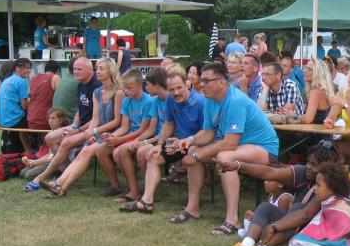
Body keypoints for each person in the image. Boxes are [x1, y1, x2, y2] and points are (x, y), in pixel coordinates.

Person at [175, 62, 279, 235]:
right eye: (201, 80)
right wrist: (190, 140)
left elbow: (229, 143)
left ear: (221, 82)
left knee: (224, 157)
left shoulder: (235, 101)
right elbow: (208, 132)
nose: (201, 84)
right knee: (193, 151)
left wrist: (198, 155)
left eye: (206, 80)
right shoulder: (210, 100)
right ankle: (192, 208)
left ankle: (232, 220)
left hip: (264, 148)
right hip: (240, 146)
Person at [218, 141, 340, 246]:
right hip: (294, 223)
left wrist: (274, 227)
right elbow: (270, 172)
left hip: (315, 232)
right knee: (266, 208)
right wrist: (238, 165)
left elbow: (306, 214)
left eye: (314, 165)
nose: (308, 166)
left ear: (327, 168)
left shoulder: (331, 184)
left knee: (297, 211)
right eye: (308, 162)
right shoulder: (303, 173)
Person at [32, 58, 125, 196]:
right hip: (98, 132)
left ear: (111, 71)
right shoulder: (97, 92)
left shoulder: (118, 93)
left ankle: (59, 185)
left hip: (114, 133)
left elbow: (117, 121)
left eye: (101, 69)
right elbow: (95, 119)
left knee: (85, 151)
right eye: (97, 68)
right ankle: (59, 185)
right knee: (82, 153)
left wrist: (92, 131)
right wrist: (90, 133)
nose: (98, 71)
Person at [121, 68, 205, 214]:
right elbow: (169, 123)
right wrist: (159, 145)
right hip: (179, 142)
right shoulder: (171, 100)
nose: (176, 92)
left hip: (198, 143)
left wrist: (185, 142)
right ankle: (146, 201)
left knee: (191, 153)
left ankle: (192, 201)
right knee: (153, 156)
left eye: (179, 88)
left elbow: (207, 133)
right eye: (171, 89)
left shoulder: (200, 102)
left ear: (187, 84)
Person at [31, 57, 102, 187]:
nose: (75, 72)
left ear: (89, 70)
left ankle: (44, 176)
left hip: (93, 128)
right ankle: (66, 169)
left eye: (79, 69)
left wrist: (77, 130)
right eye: (74, 69)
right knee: (50, 137)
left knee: (65, 142)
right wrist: (74, 125)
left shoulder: (97, 86)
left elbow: (97, 118)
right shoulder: (80, 84)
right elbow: (80, 110)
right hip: (80, 126)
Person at [110, 68, 166, 202]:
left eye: (148, 85)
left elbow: (157, 131)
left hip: (163, 140)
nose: (125, 91)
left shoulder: (152, 101)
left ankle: (148, 192)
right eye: (124, 87)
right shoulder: (155, 101)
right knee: (119, 151)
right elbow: (150, 129)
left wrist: (142, 141)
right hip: (152, 137)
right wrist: (135, 140)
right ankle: (134, 190)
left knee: (139, 152)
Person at [236, 174, 293, 239]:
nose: (265, 182)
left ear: (281, 184)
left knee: (254, 222)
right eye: (265, 180)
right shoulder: (271, 196)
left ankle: (251, 235)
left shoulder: (285, 198)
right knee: (243, 226)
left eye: (269, 181)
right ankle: (249, 233)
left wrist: (256, 217)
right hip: (269, 224)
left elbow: (281, 221)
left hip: (279, 229)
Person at [19, 108, 70, 181]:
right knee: (23, 173)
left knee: (29, 175)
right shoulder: (52, 132)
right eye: (49, 118)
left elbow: (59, 158)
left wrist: (36, 162)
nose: (50, 121)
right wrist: (34, 162)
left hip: (60, 164)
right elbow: (50, 154)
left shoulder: (64, 134)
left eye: (53, 118)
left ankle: (57, 175)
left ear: (61, 120)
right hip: (50, 161)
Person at [0, 58, 32, 152]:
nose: (28, 70)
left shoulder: (6, 80)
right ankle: (34, 149)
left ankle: (27, 149)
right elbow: (24, 106)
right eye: (26, 68)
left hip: (2, 120)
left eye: (29, 68)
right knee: (38, 120)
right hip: (14, 119)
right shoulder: (21, 81)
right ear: (17, 68)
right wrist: (32, 99)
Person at [27, 61, 61, 131]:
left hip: (31, 117)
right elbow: (61, 97)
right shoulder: (55, 77)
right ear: (57, 70)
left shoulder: (34, 78)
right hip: (46, 118)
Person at [298, 59, 333, 124]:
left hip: (317, 130)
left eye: (309, 69)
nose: (305, 71)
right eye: (305, 68)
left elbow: (308, 119)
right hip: (323, 129)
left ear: (318, 73)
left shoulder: (315, 92)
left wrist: (294, 117)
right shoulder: (324, 90)